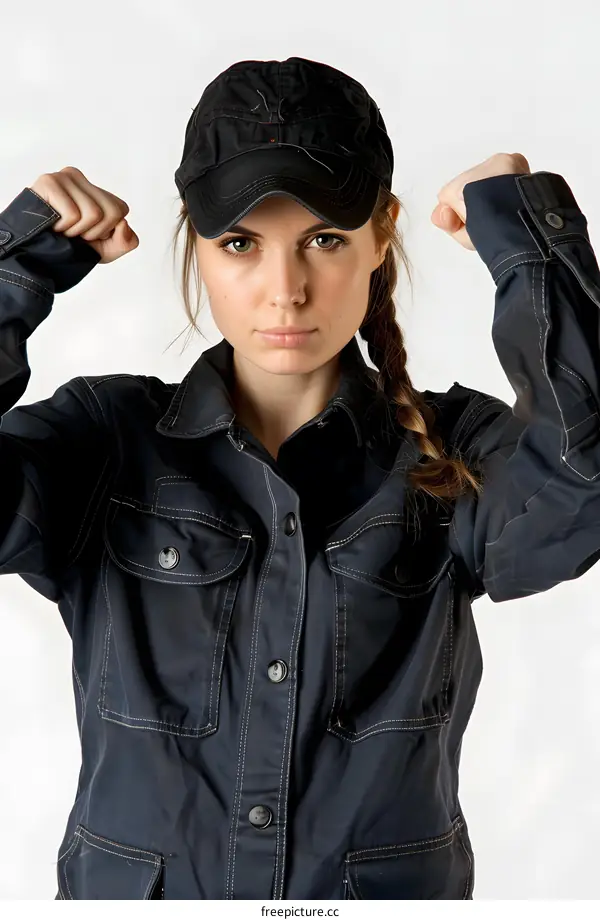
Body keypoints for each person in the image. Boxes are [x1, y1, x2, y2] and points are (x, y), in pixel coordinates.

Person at [1, 56, 600, 901]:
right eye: (241, 244)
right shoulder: (103, 443)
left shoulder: (453, 450)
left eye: (324, 239)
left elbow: (582, 482)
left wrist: (529, 239)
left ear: (382, 234)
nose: (285, 291)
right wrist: (13, 271)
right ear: (197, 245)